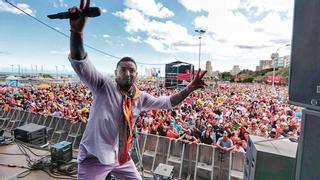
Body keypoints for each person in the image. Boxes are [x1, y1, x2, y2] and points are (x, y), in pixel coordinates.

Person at [68, 3, 207, 180]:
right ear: (115, 72)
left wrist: (189, 89)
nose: (128, 73)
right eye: (123, 69)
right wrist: (77, 33)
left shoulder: (140, 98)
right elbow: (81, 63)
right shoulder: (103, 85)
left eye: (132, 70)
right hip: (95, 157)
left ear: (136, 74)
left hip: (121, 157)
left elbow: (167, 102)